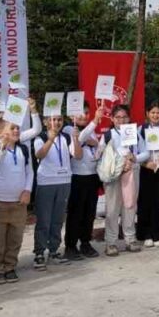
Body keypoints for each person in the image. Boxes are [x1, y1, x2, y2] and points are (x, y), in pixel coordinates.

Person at [0, 120, 33, 284]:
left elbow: (30, 172)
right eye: (12, 128)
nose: (16, 130)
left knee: (15, 239)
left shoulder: (23, 149)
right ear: (0, 133)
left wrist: (27, 190)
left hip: (18, 203)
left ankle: (9, 267)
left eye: (18, 128)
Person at [84, 104, 140, 255]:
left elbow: (144, 153)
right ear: (113, 119)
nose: (121, 120)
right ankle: (111, 242)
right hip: (114, 176)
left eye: (124, 117)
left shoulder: (135, 133)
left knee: (129, 207)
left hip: (132, 174)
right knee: (112, 210)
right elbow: (98, 156)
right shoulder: (108, 135)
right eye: (118, 117)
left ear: (129, 118)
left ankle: (130, 239)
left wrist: (134, 159)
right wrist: (118, 162)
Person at [32, 114, 74, 268]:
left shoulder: (67, 137)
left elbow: (76, 154)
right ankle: (39, 251)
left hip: (64, 181)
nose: (56, 122)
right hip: (46, 182)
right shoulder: (40, 137)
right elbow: (39, 154)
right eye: (52, 119)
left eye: (59, 120)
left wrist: (75, 138)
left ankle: (54, 249)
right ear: (45, 122)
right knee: (44, 219)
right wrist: (50, 139)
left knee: (58, 218)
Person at [64, 111, 102, 260]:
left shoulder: (89, 130)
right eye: (78, 114)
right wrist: (95, 120)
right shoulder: (68, 129)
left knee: (89, 213)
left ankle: (85, 242)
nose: (83, 116)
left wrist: (90, 139)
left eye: (86, 113)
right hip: (77, 177)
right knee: (75, 213)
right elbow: (79, 139)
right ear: (70, 116)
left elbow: (96, 144)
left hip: (92, 176)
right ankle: (70, 246)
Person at [135, 101, 159, 247]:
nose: (156, 115)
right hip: (147, 168)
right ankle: (146, 234)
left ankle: (158, 234)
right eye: (153, 112)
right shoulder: (141, 129)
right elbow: (136, 151)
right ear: (147, 114)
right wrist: (145, 163)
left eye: (158, 112)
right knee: (145, 201)